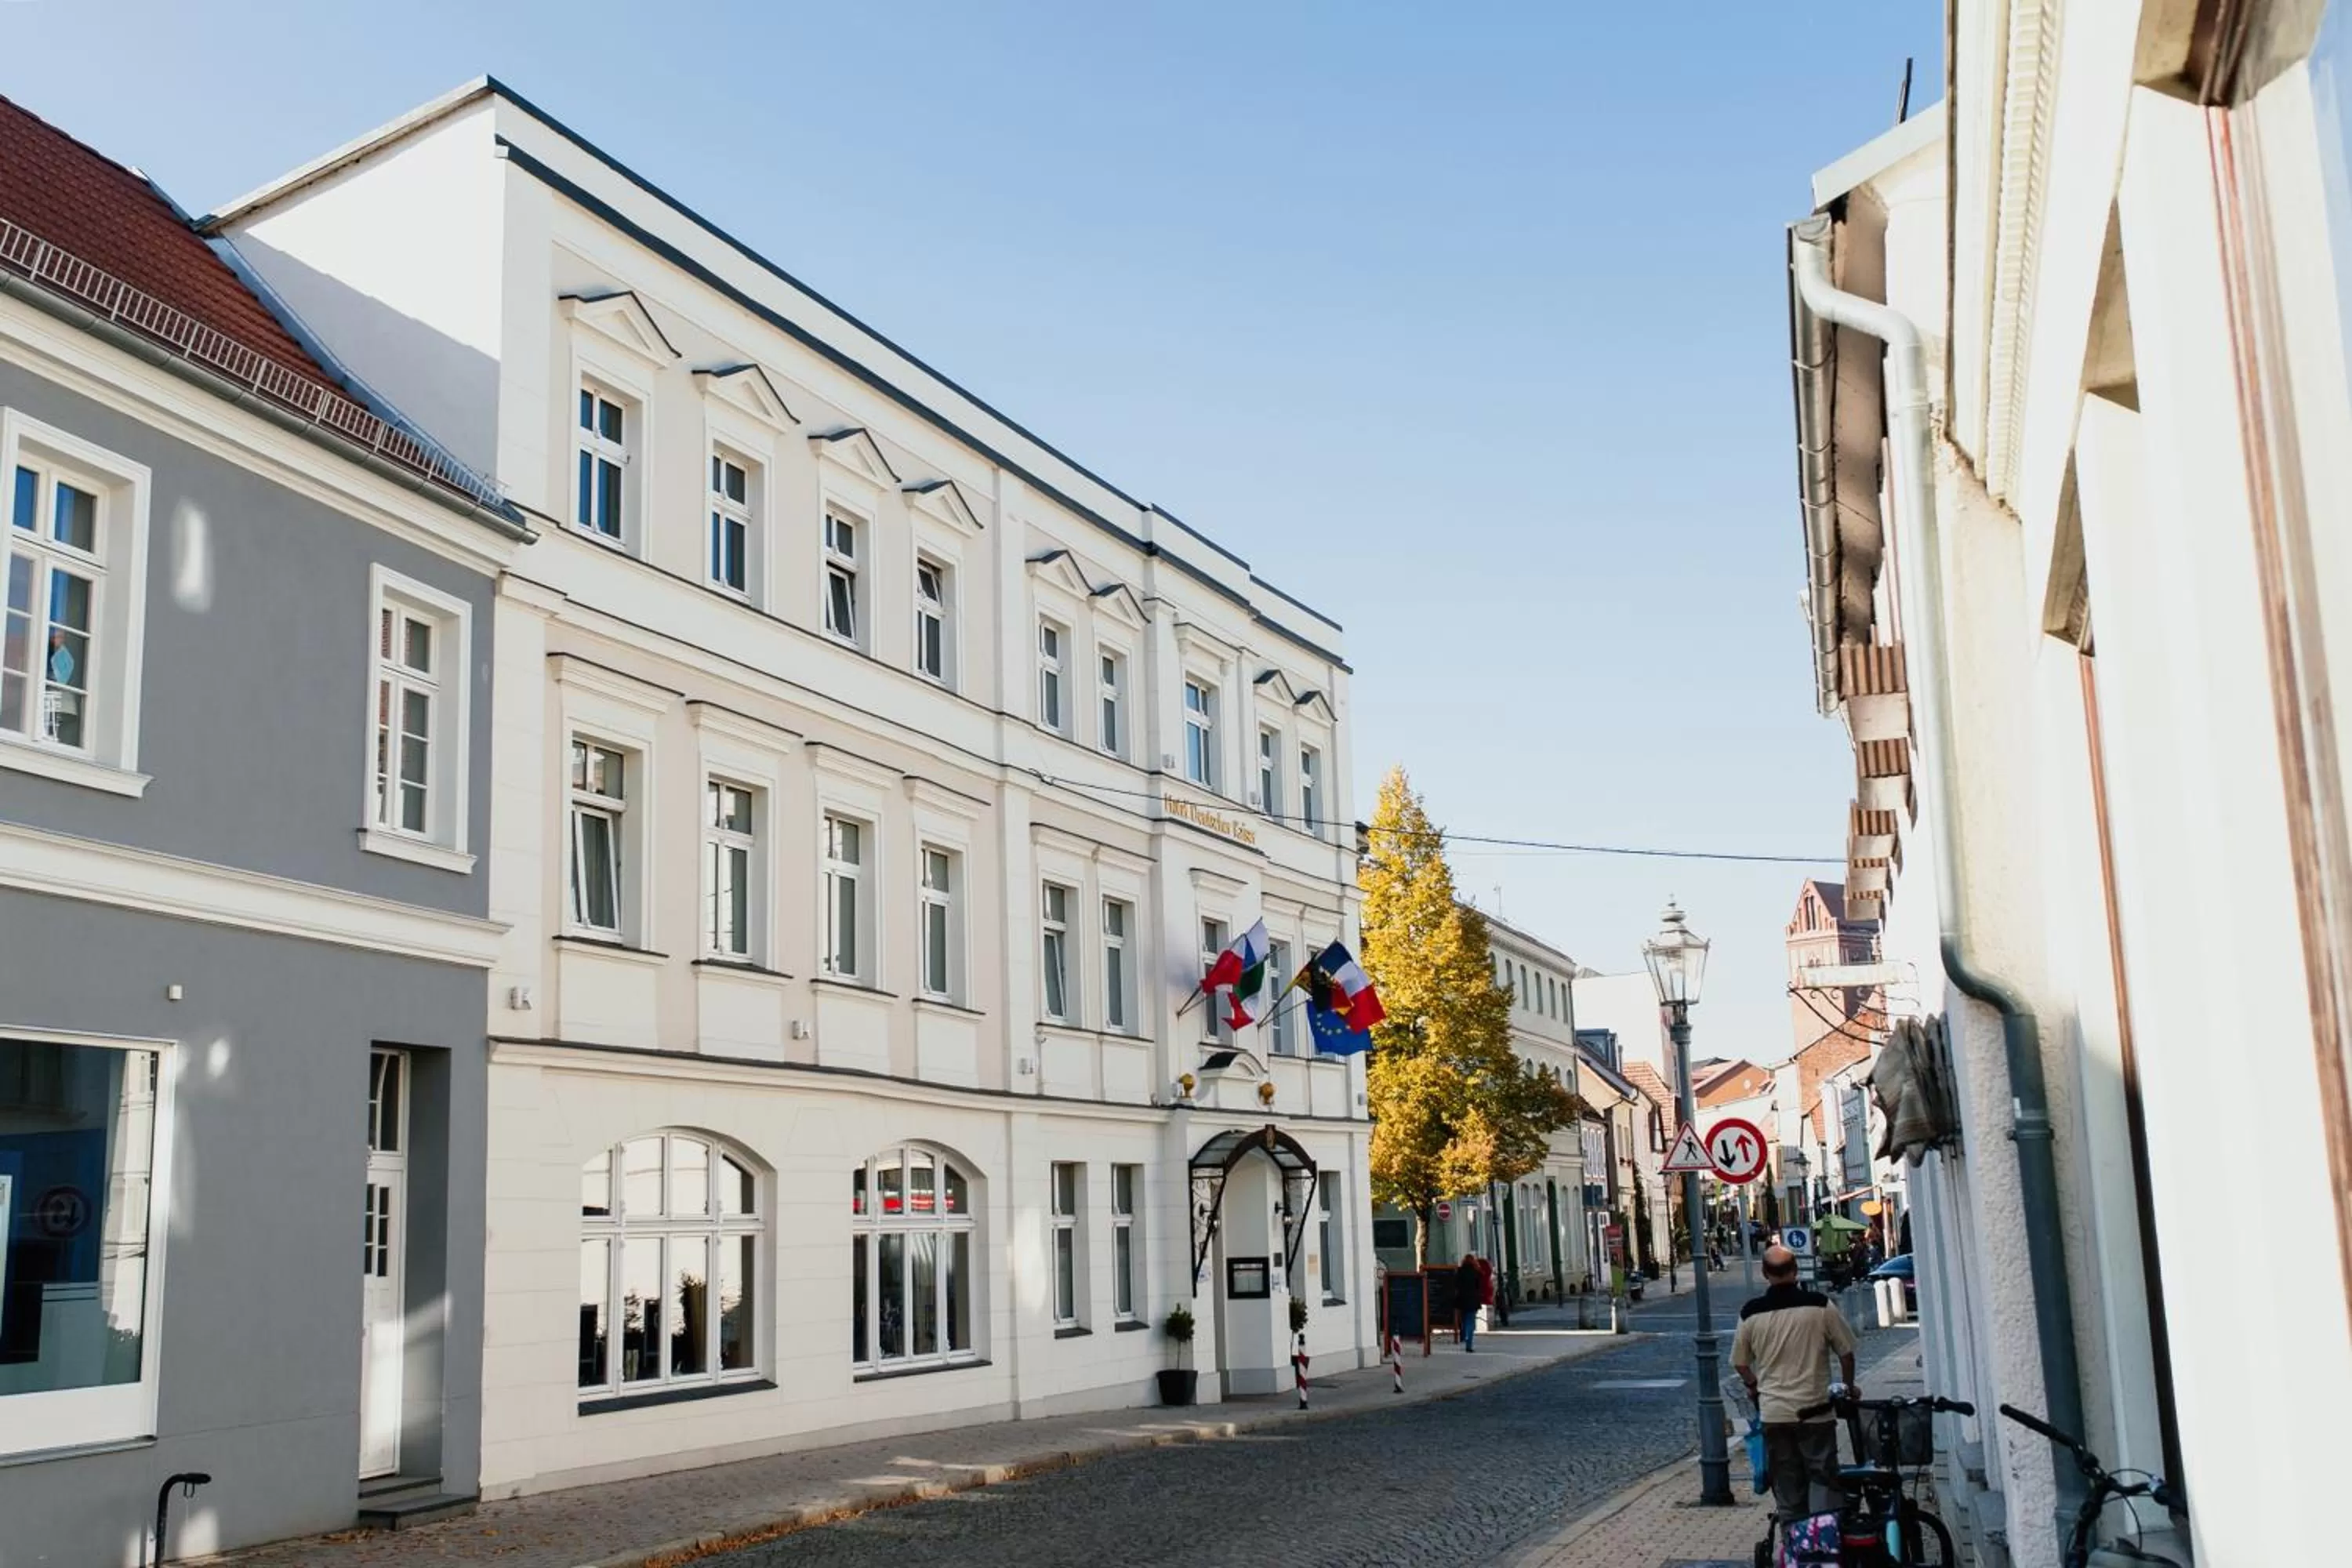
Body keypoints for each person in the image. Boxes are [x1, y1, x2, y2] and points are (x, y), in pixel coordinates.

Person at [1731, 1244, 1858, 1522]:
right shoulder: (1820, 1306)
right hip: (1817, 1410)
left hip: (1775, 1414)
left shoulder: (1751, 1313)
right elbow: (1846, 1355)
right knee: (1824, 1482)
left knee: (1788, 1489)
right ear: (1796, 1271)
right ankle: (1825, 1546)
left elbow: (1741, 1363)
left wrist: (1754, 1386)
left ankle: (1794, 1551)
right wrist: (1848, 1389)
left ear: (1765, 1274)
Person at [1454, 1252, 1483, 1351]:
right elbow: (1479, 1287)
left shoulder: (1460, 1271)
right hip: (1473, 1300)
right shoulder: (1476, 1272)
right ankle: (1469, 1343)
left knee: (1464, 1320)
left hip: (1462, 1300)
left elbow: (1456, 1285)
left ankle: (1464, 1335)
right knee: (1471, 1322)